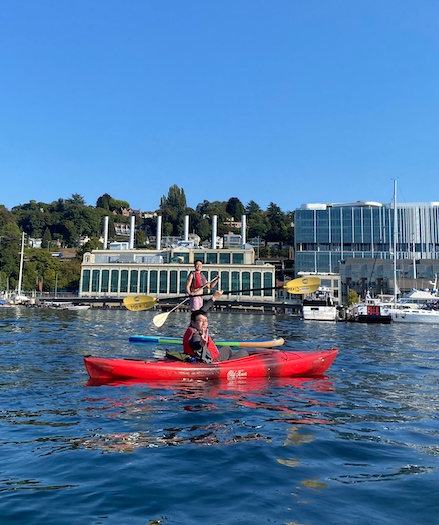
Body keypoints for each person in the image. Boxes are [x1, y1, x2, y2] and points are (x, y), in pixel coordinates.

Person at [183, 298, 249, 363]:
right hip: (210, 362)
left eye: (205, 321)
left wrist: (213, 298)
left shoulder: (192, 327)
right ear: (192, 322)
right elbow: (195, 343)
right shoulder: (196, 335)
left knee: (227, 349)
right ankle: (227, 366)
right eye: (200, 321)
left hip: (209, 356)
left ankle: (230, 362)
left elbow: (200, 313)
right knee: (244, 353)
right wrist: (200, 343)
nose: (204, 323)